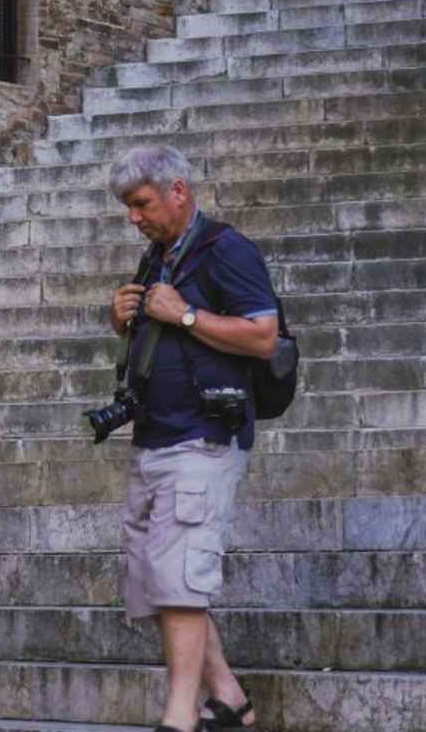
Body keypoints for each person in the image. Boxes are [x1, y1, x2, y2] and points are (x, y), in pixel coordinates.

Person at [104, 146, 277, 732]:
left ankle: (179, 719)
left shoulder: (227, 250)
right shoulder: (156, 259)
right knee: (155, 576)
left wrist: (183, 316)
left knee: (180, 580)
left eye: (141, 203)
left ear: (178, 191)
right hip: (154, 437)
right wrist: (123, 317)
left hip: (204, 439)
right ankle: (229, 698)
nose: (134, 217)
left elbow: (263, 338)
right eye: (128, 207)